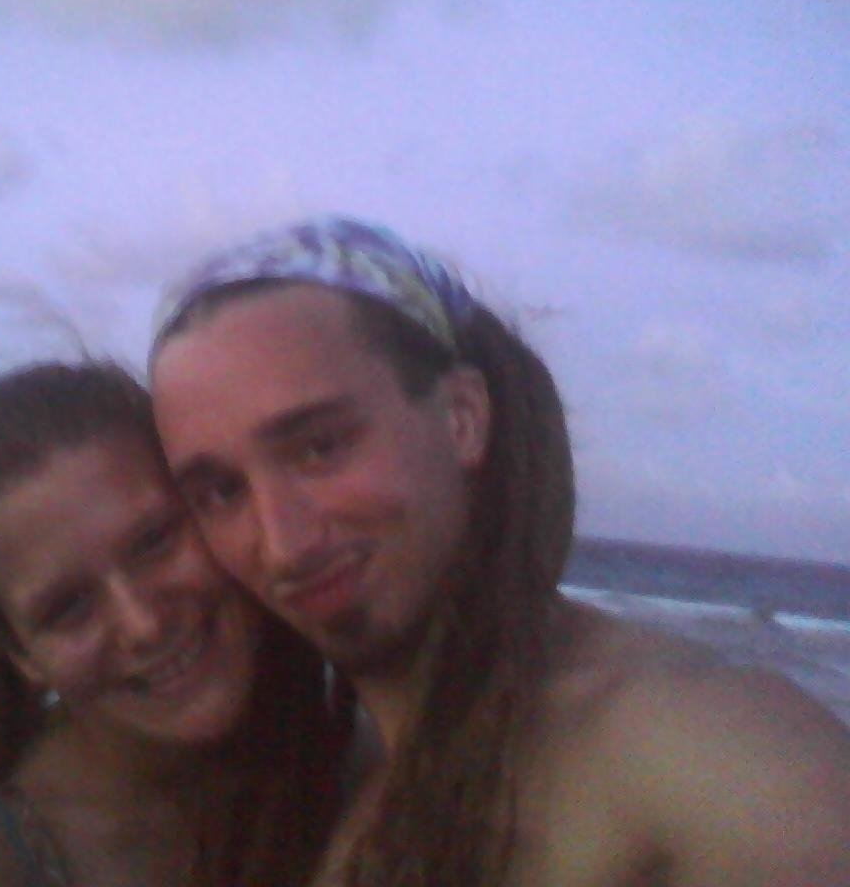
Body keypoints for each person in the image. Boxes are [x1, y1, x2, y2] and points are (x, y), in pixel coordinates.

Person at [148, 216, 850, 887]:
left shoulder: (694, 753)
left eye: (319, 447)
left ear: (462, 418)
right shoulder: (323, 782)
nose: (283, 543)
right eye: (221, 492)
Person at [0, 362, 349, 887]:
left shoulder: (344, 722)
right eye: (69, 607)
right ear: (22, 655)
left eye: (154, 541)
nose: (143, 624)